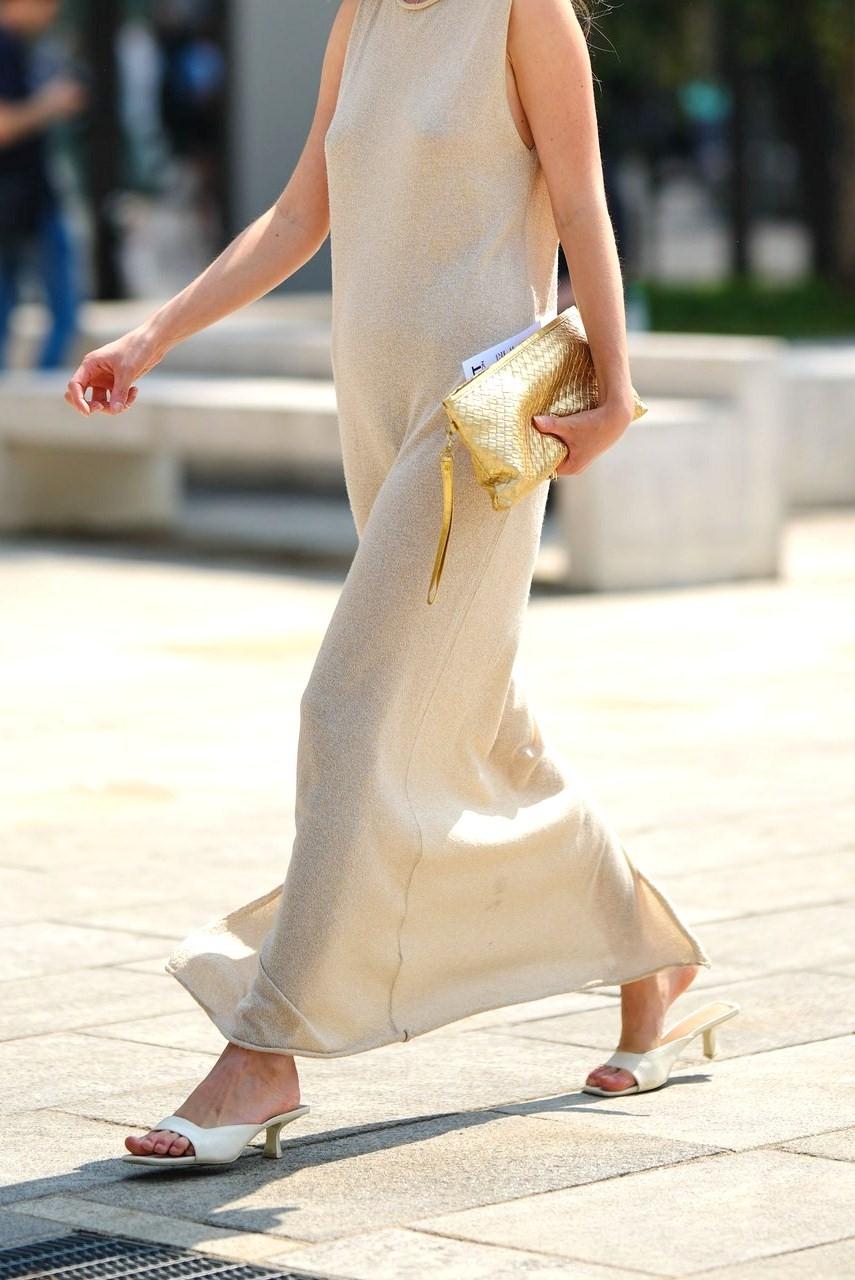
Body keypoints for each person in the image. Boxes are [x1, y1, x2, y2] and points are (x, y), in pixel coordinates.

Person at [67, 0, 734, 1167]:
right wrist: (154, 336)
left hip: (480, 418)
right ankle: (653, 966)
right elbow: (298, 214)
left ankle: (263, 1051)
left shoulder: (523, 13)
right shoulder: (363, 17)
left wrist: (615, 389)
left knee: (347, 704)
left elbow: (584, 204)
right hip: (375, 411)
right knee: (484, 719)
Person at [0, 0, 84, 370]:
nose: (52, 11)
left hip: (26, 198)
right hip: (20, 200)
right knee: (64, 308)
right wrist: (51, 103)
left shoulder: (25, 46)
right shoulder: (5, 46)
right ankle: (49, 389)